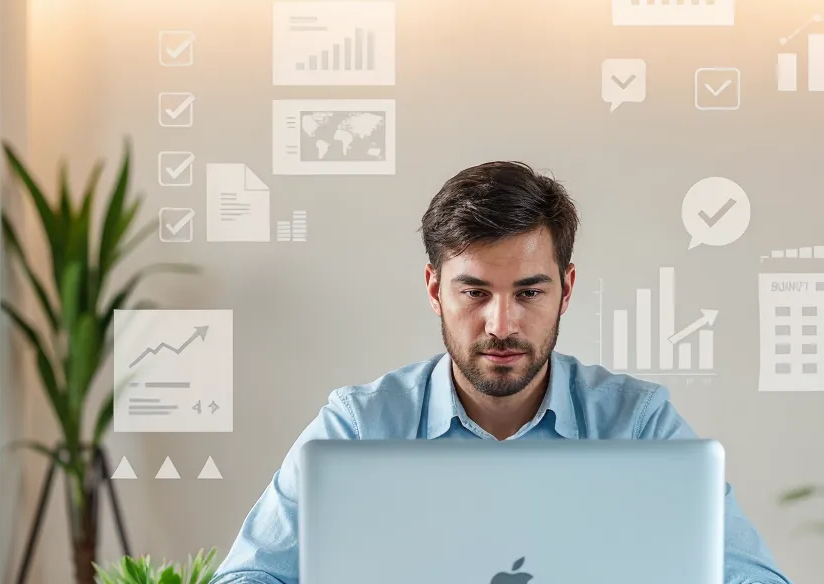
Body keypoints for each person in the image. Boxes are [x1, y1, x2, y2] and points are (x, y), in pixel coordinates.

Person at [210, 162, 792, 584]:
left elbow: (756, 579)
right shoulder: (358, 424)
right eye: (475, 292)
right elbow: (248, 577)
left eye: (529, 292)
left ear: (565, 289)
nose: (501, 324)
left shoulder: (636, 422)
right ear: (436, 289)